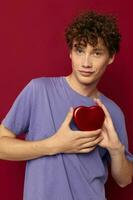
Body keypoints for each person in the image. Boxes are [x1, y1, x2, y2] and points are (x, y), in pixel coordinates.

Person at [0, 11, 133, 200]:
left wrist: (116, 149)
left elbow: (124, 180)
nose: (86, 63)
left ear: (110, 57)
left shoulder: (113, 112)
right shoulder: (39, 90)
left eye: (96, 53)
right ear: (70, 52)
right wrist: (53, 145)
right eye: (80, 50)